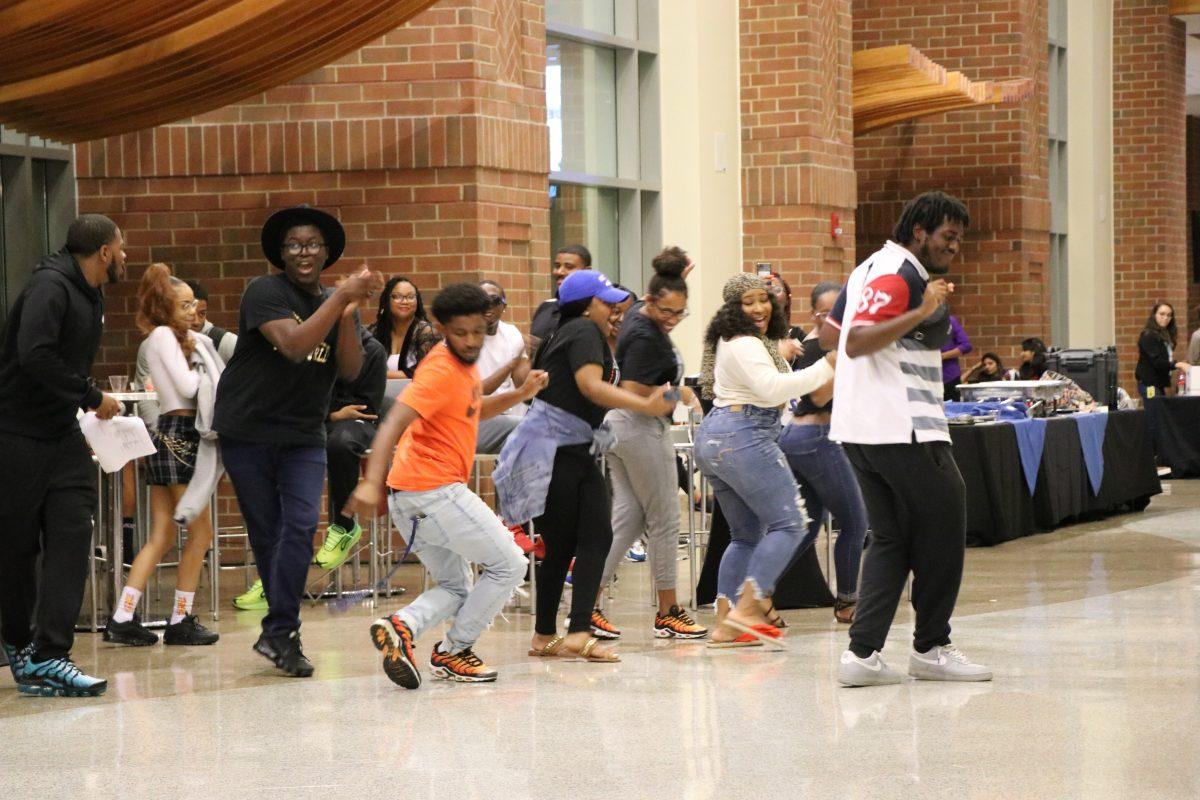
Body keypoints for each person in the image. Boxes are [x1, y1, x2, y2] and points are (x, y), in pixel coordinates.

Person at [819, 190, 991, 686]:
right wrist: (923, 309)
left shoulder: (867, 267)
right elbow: (855, 341)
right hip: (903, 425)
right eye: (948, 237)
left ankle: (862, 655)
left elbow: (831, 334)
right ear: (920, 232)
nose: (954, 247)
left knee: (892, 537)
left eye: (959, 239)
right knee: (943, 526)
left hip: (858, 426)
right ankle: (931, 646)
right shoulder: (902, 274)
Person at [352, 284, 549, 689]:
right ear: (441, 328)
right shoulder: (440, 369)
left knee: (458, 587)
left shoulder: (461, 367)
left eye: (478, 331)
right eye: (462, 333)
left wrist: (522, 392)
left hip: (411, 495)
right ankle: (455, 650)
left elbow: (471, 410)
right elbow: (393, 422)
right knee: (510, 564)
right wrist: (369, 482)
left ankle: (402, 626)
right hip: (433, 490)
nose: (472, 341)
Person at [213, 205, 380, 677]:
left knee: (303, 524)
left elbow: (348, 369)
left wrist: (346, 310)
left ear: (326, 252)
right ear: (282, 254)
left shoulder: (334, 301)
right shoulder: (264, 291)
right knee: (268, 534)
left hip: (304, 433)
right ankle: (283, 634)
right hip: (249, 430)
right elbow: (293, 346)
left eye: (312, 245)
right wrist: (340, 298)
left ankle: (278, 630)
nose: (303, 252)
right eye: (293, 245)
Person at [494, 270, 674, 663]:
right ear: (585, 303)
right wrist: (645, 406)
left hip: (559, 447)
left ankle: (545, 635)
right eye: (605, 301)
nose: (613, 308)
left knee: (560, 546)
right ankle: (577, 631)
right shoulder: (583, 332)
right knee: (596, 538)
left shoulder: (567, 331)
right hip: (563, 450)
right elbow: (590, 386)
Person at [0, 213, 126, 697]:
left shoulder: (89, 290)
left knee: (73, 534)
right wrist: (91, 396)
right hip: (17, 435)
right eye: (122, 248)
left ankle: (52, 655)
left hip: (61, 436)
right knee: (16, 548)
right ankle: (17, 640)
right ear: (103, 253)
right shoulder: (50, 287)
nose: (125, 256)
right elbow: (34, 354)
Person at [694, 273, 836, 647]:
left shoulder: (751, 342)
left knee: (745, 536)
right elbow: (772, 389)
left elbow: (787, 391)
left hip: (721, 436)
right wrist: (829, 364)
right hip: (743, 436)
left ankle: (726, 624)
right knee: (791, 524)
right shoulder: (744, 344)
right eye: (748, 302)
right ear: (732, 308)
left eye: (764, 299)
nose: (759, 308)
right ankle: (748, 609)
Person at [232, 320, 387, 612]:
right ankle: (270, 579)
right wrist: (332, 413)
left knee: (339, 444)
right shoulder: (314, 347)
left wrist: (336, 415)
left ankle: (343, 526)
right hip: (319, 418)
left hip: (357, 423)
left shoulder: (373, 351)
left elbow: (366, 407)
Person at [104, 264, 221, 647]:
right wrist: (207, 368)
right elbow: (188, 386)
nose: (193, 312)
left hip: (170, 436)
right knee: (200, 533)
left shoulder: (168, 338)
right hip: (180, 435)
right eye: (184, 306)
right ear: (164, 307)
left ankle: (123, 616)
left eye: (194, 305)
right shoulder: (163, 337)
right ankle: (180, 620)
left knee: (162, 535)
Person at [595, 247, 707, 640]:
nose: (673, 320)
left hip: (618, 430)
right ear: (653, 301)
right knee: (664, 520)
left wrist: (680, 274)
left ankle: (587, 604)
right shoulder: (645, 336)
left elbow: (663, 288)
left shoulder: (640, 312)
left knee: (627, 519)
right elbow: (635, 389)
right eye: (667, 312)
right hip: (640, 427)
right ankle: (668, 611)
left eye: (680, 313)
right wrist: (682, 395)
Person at [777, 281, 869, 624]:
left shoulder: (814, 347)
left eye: (841, 311)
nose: (837, 318)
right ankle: (847, 602)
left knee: (808, 527)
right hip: (815, 437)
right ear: (816, 314)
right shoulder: (820, 349)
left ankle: (757, 593)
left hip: (802, 438)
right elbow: (817, 397)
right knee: (856, 521)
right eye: (830, 312)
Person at [474, 279, 531, 455]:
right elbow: (475, 392)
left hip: (508, 414)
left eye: (495, 300)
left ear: (504, 306)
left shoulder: (511, 333)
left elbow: (522, 383)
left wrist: (535, 362)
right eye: (482, 301)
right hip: (476, 417)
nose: (488, 306)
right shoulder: (465, 338)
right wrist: (510, 366)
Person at [373, 276, 440, 379]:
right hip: (381, 394)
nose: (405, 301)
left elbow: (425, 372)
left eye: (410, 297)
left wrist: (380, 375)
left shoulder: (427, 332)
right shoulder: (376, 332)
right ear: (387, 300)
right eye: (398, 296)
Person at [530, 244, 592, 342]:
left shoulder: (596, 309)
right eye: (557, 266)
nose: (559, 272)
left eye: (569, 267)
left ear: (587, 271)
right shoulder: (546, 307)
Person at [1135, 302, 1189, 399]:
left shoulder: (1164, 335)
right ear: (1154, 315)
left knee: (1160, 411)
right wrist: (1177, 364)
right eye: (1162, 314)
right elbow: (1157, 361)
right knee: (1155, 411)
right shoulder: (1149, 335)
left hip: (1158, 384)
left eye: (1169, 315)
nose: (1165, 318)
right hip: (1149, 385)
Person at [186, 279, 238, 363]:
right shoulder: (166, 340)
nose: (196, 322)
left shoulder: (222, 340)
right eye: (190, 314)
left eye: (202, 314)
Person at [940, 314, 972, 400]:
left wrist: (943, 356)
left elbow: (966, 346)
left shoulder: (950, 321)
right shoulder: (919, 321)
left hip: (949, 376)